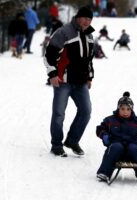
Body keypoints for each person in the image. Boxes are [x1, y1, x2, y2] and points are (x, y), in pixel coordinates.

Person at [44, 5, 95, 157]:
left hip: (81, 82)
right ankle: (56, 145)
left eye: (89, 19)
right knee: (59, 114)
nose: (87, 21)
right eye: (84, 18)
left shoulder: (89, 36)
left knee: (86, 112)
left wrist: (90, 76)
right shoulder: (64, 32)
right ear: (78, 18)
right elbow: (49, 55)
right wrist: (52, 74)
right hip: (63, 81)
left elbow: (89, 60)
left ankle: (72, 140)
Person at [96, 92, 137, 181]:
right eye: (122, 109)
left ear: (132, 110)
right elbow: (100, 129)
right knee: (115, 147)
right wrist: (104, 135)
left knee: (135, 149)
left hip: (131, 150)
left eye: (128, 109)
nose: (125, 112)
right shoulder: (110, 120)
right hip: (116, 148)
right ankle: (104, 172)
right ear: (118, 108)